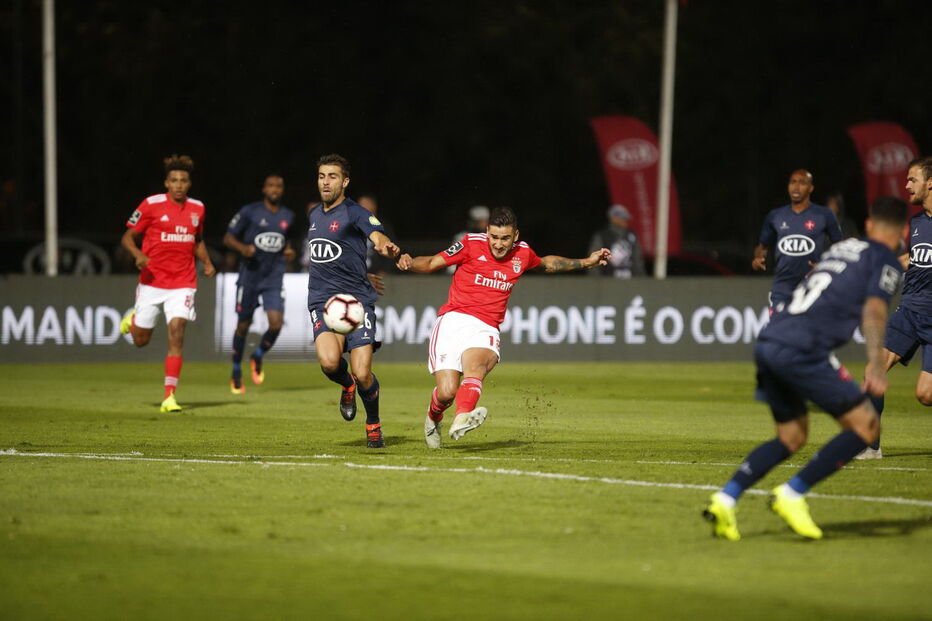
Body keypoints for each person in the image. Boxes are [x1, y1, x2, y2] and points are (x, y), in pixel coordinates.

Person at [703, 198, 908, 541]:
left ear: (869, 225)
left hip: (770, 340)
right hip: (804, 348)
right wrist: (876, 363)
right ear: (903, 232)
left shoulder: (841, 249)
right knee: (866, 426)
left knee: (791, 436)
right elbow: (874, 309)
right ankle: (793, 493)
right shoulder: (884, 259)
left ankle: (725, 499)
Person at [396, 207, 611, 448]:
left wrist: (586, 262)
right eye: (494, 237)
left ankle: (462, 416)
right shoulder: (470, 244)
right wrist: (408, 262)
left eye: (505, 238)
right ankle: (434, 416)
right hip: (453, 320)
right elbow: (433, 262)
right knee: (446, 392)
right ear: (487, 232)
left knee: (475, 368)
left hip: (486, 326)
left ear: (515, 236)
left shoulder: (523, 253)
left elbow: (547, 264)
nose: (498, 244)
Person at [306, 154, 401, 449]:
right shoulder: (313, 216)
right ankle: (345, 386)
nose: (326, 182)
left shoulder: (355, 213)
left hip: (357, 304)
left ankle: (373, 424)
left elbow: (376, 235)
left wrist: (385, 246)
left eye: (332, 176)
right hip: (322, 301)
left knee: (363, 373)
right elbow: (330, 256)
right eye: (322, 176)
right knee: (329, 362)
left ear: (345, 182)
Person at [119, 154, 217, 412]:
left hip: (183, 282)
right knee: (141, 341)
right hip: (152, 282)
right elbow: (127, 237)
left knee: (177, 333)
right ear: (166, 183)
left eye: (183, 180)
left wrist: (206, 262)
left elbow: (197, 240)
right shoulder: (151, 205)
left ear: (189, 183)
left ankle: (169, 396)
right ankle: (132, 321)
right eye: (174, 180)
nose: (179, 185)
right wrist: (138, 254)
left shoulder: (198, 208)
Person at [862, 157, 932, 459]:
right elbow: (914, 259)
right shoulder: (916, 223)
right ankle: (871, 446)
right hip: (910, 310)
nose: (906, 185)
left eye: (912, 179)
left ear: (930, 183)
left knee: (925, 395)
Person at [223, 174, 296, 394]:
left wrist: (289, 251)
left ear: (282, 190)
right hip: (250, 276)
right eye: (271, 186)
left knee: (276, 324)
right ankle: (236, 370)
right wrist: (243, 249)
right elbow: (228, 238)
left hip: (273, 277)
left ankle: (257, 355)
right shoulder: (250, 211)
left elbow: (287, 242)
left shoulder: (288, 216)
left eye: (279, 186)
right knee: (243, 325)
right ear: (264, 189)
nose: (275, 189)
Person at [753, 170, 843, 311]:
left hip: (813, 285)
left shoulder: (824, 215)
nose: (796, 187)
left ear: (810, 188)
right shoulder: (775, 216)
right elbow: (763, 246)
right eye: (793, 182)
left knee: (811, 332)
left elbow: (840, 247)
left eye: (802, 182)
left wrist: (825, 266)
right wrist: (759, 258)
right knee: (780, 331)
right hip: (782, 287)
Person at [587, 204, 645, 278]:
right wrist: (596, 280)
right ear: (614, 218)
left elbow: (637, 260)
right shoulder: (602, 236)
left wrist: (641, 277)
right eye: (623, 218)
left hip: (630, 279)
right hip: (608, 279)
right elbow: (594, 260)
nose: (625, 221)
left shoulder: (631, 235)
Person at [358, 193, 398, 276]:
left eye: (366, 205)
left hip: (377, 272)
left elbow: (392, 250)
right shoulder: (351, 226)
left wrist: (385, 270)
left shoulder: (383, 226)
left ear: (374, 207)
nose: (363, 208)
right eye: (361, 205)